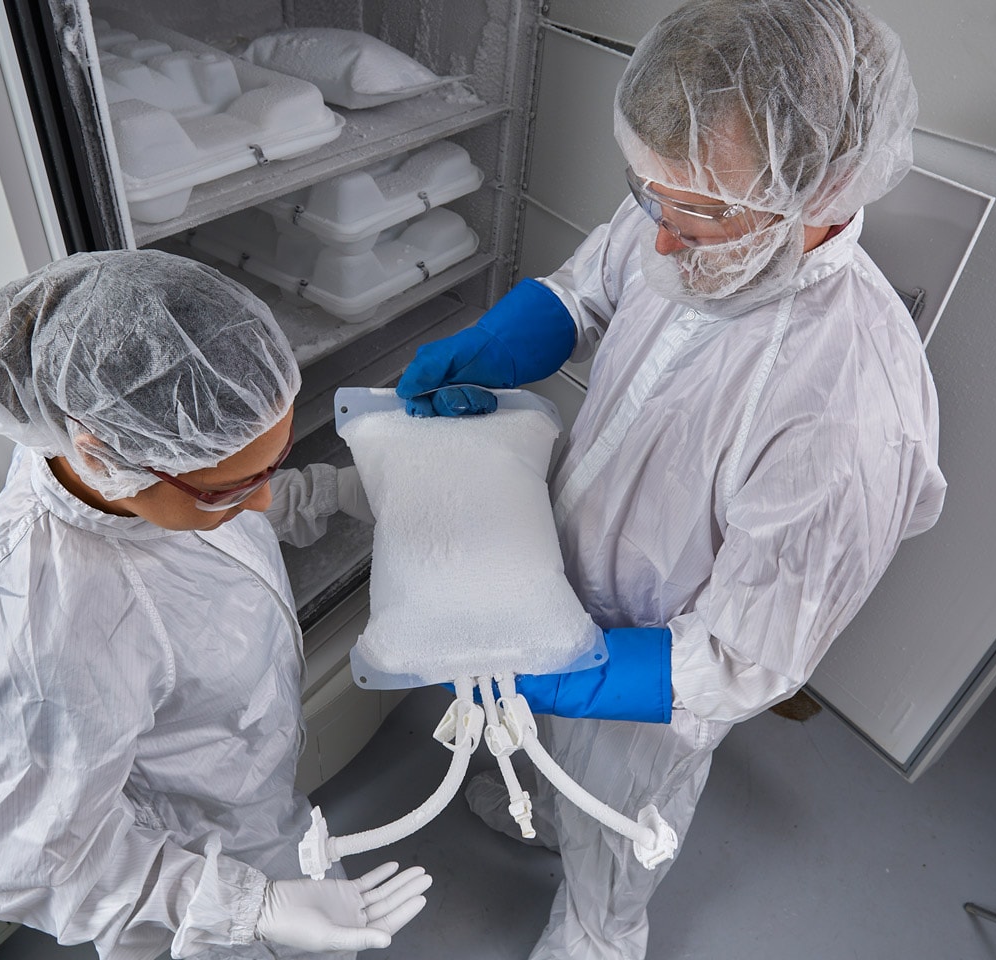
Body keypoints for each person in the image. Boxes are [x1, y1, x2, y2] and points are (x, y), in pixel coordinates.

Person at [395, 1, 947, 958]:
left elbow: (745, 655)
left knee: (616, 821)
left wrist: (578, 669)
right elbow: (596, 285)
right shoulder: (704, 202)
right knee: (546, 748)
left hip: (659, 677)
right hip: (571, 571)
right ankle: (543, 802)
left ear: (822, 188)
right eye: (651, 195)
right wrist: (491, 344)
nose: (659, 237)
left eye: (692, 212)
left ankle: (598, 935)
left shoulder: (847, 416)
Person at [0, 250, 430, 960]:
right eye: (228, 490)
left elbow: (239, 507)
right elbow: (17, 858)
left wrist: (343, 492)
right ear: (101, 457)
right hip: (178, 891)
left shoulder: (140, 471)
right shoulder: (48, 626)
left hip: (256, 813)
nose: (260, 502)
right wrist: (252, 908)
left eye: (271, 467)